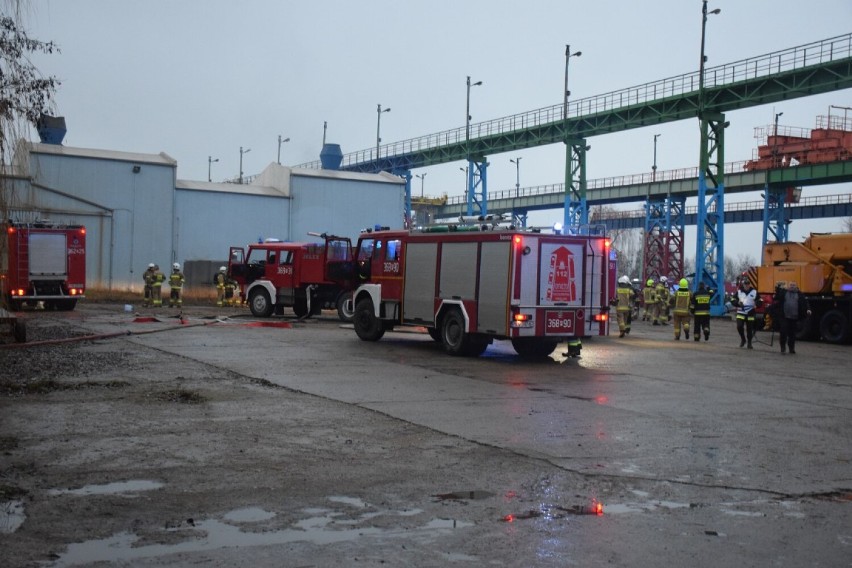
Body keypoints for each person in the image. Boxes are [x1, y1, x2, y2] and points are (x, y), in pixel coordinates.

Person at [774, 281, 811, 355]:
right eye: (791, 285)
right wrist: (777, 288)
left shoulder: (800, 294)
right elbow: (777, 297)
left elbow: (805, 303)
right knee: (783, 332)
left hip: (794, 317)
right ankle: (783, 347)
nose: (792, 286)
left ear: (796, 286)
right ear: (788, 286)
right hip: (784, 316)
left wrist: (808, 309)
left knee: (792, 334)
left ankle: (791, 348)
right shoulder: (784, 293)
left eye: (793, 285)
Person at [733, 275, 757, 349]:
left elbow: (760, 300)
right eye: (745, 284)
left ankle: (749, 343)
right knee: (739, 326)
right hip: (741, 312)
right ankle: (743, 339)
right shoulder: (739, 292)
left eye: (748, 284)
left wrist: (758, 304)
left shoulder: (754, 292)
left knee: (749, 329)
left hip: (750, 312)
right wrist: (737, 303)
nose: (747, 285)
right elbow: (732, 299)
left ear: (749, 284)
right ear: (743, 285)